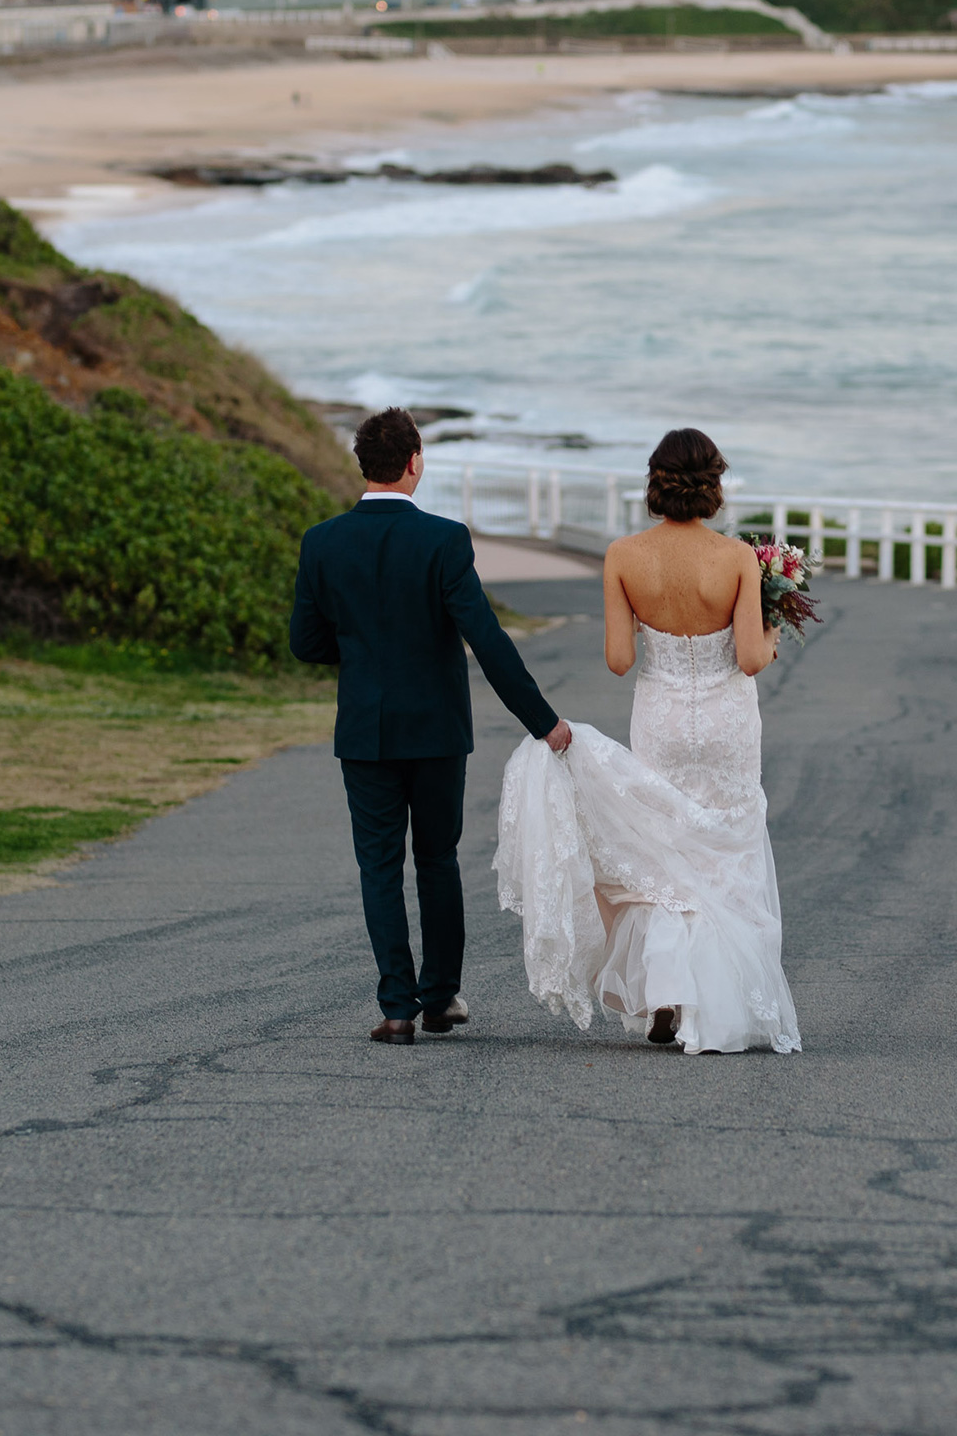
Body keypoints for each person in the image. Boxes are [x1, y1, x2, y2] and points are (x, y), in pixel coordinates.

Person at [495, 427, 800, 1056]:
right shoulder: (738, 559)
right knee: (726, 849)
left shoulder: (623, 555)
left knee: (664, 852)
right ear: (713, 487)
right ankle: (719, 1004)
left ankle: (666, 995)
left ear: (655, 485)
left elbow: (617, 659)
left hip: (660, 716)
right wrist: (771, 635)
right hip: (727, 725)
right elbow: (748, 658)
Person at [290, 407, 572, 1048]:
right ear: (415, 462)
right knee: (437, 859)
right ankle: (441, 997)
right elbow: (487, 639)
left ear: (362, 465)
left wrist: (365, 653)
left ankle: (397, 1008)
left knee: (378, 867)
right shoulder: (444, 539)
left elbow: (305, 643)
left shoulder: (322, 541)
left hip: (365, 729)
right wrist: (542, 722)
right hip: (438, 730)